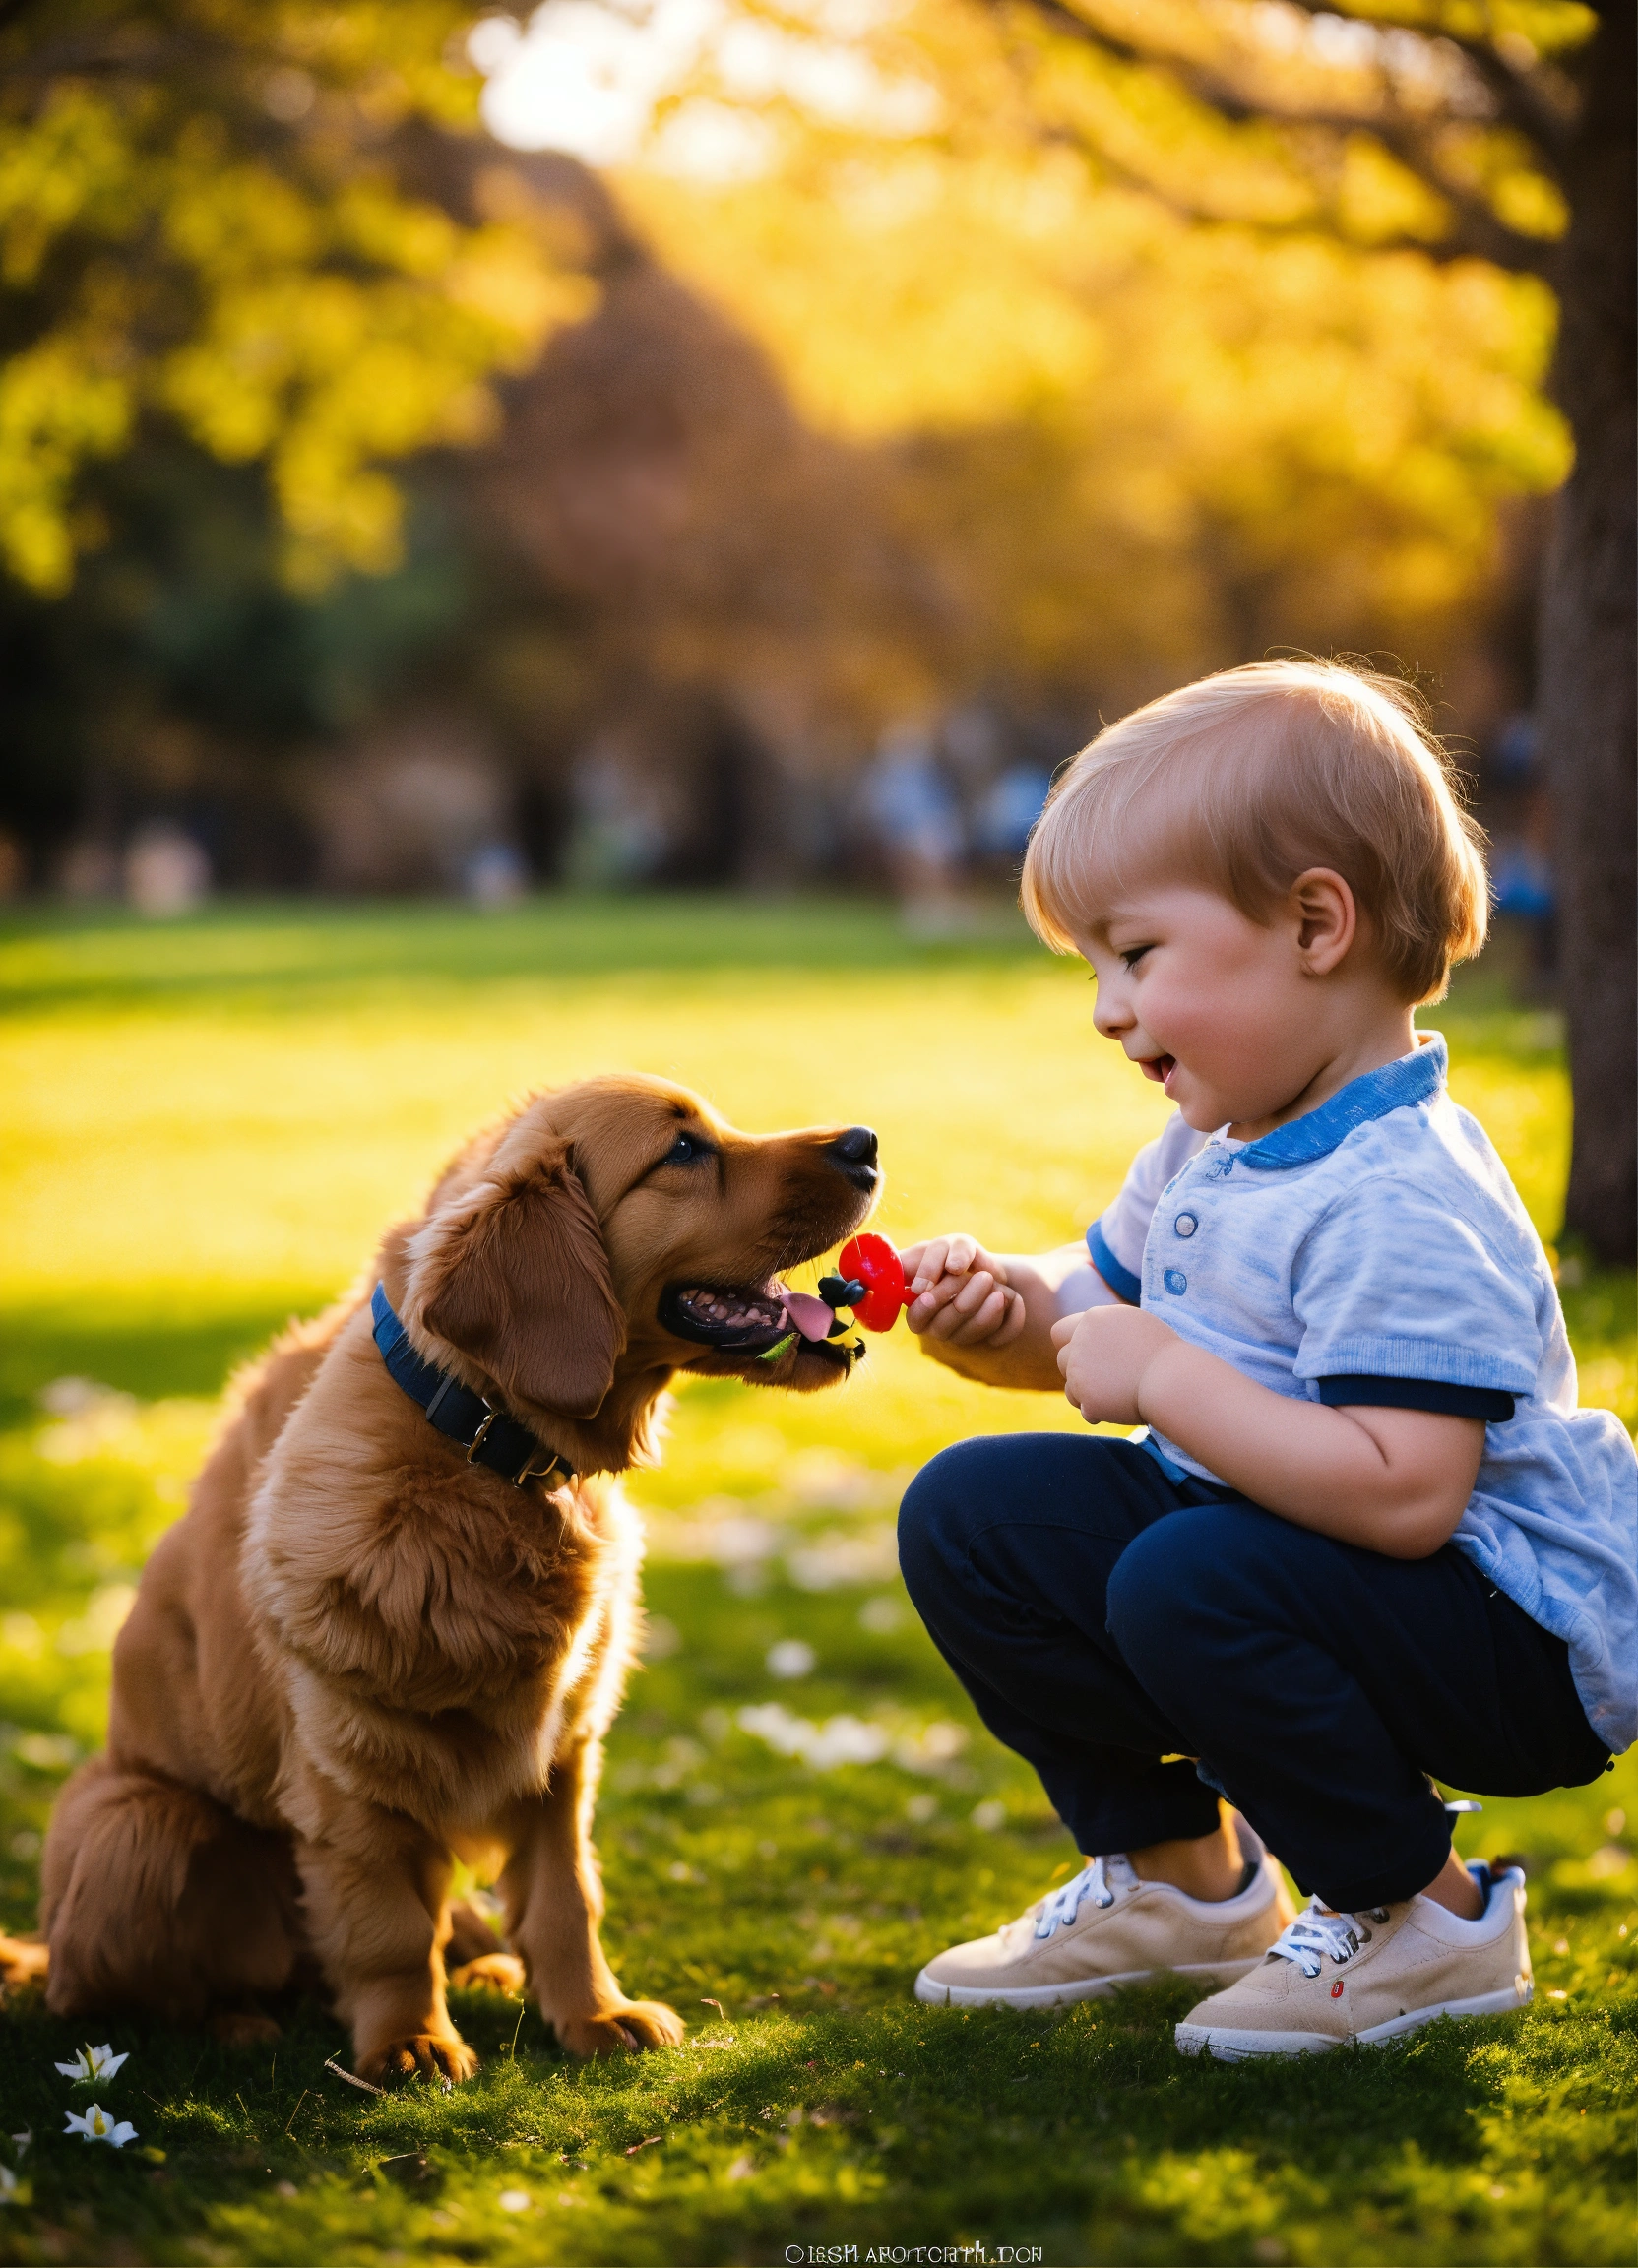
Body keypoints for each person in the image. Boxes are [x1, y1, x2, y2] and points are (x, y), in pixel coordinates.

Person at [895, 660, 1636, 2059]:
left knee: (1187, 1574)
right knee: (973, 1517)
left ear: (1314, 925)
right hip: (1293, 1562)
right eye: (1097, 969)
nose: (1111, 1011)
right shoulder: (1213, 1146)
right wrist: (1006, 1305)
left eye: (1138, 955)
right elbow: (1091, 1310)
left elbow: (1406, 1491)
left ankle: (1428, 1918)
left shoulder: (1397, 1195)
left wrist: (1168, 1379)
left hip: (1505, 1632)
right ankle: (1179, 1881)